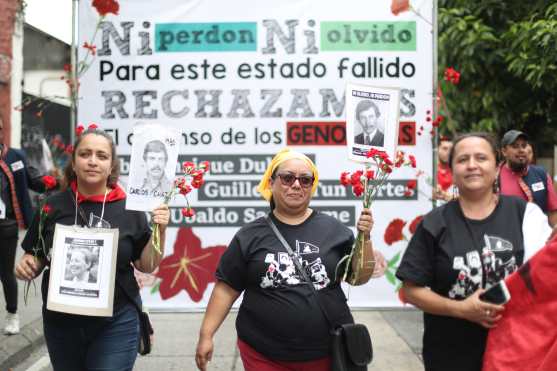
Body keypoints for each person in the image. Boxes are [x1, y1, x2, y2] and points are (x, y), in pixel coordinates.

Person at [195, 148, 377, 371]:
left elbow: (358, 277)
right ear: (271, 183)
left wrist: (365, 238)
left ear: (312, 186)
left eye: (305, 179)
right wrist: (206, 335)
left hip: (327, 352)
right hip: (263, 354)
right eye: (287, 178)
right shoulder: (249, 236)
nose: (296, 184)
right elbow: (226, 289)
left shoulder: (335, 231)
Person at [14, 127, 170, 371]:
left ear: (111, 166)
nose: (93, 161)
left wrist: (160, 229)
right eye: (85, 154)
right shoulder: (51, 206)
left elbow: (146, 264)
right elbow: (35, 256)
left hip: (117, 320)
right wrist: (27, 266)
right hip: (61, 323)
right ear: (73, 163)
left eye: (101, 156)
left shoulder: (130, 209)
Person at [396, 132, 553, 371]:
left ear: (498, 166)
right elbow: (410, 290)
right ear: (452, 170)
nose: (472, 165)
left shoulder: (525, 215)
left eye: (481, 158)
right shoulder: (434, 223)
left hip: (517, 354)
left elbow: (545, 280)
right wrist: (459, 309)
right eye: (462, 159)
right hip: (450, 354)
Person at [0, 116, 46, 335]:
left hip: (6, 224)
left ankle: (12, 314)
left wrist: (57, 181)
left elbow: (34, 181)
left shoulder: (14, 156)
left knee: (5, 272)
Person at [498, 130, 557, 226]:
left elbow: (553, 211)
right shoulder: (494, 176)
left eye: (524, 146)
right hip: (506, 236)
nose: (521, 150)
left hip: (538, 236)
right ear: (504, 151)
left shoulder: (541, 174)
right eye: (515, 146)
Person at [432, 136, 454, 202]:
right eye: (445, 148)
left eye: (451, 150)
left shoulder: (458, 170)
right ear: (437, 149)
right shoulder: (430, 170)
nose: (448, 152)